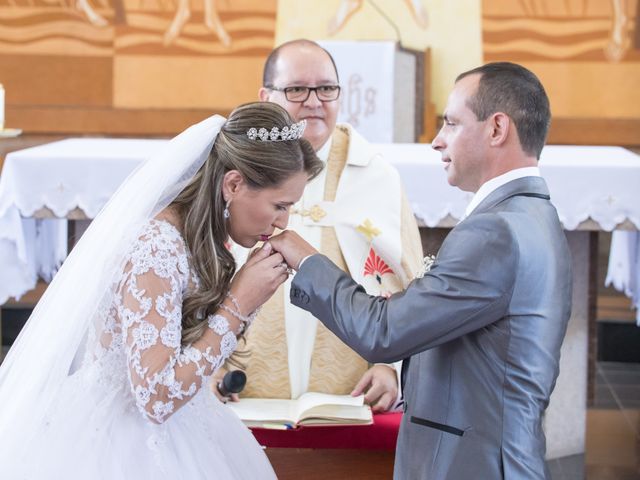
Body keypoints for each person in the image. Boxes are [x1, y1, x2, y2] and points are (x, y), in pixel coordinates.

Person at [269, 62, 573, 479]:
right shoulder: (533, 214)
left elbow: (384, 333)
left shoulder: (495, 232)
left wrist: (305, 259)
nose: (437, 141)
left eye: (450, 123)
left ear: (497, 129)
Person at [0, 102, 323, 479]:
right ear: (233, 184)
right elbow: (154, 397)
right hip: (122, 447)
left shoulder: (201, 238)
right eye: (280, 205)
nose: (283, 221)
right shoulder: (156, 249)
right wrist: (238, 306)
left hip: (188, 425)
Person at [216, 39, 423, 412]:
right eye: (297, 89)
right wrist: (206, 364)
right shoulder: (233, 168)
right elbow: (202, 272)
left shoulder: (374, 175)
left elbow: (406, 282)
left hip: (351, 398)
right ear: (266, 95)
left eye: (326, 88)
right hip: (241, 393)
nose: (314, 101)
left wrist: (391, 366)